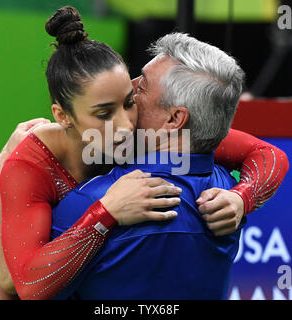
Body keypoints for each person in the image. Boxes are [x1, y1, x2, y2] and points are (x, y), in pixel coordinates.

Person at [0, 6, 288, 300]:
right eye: (103, 113)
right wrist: (106, 211)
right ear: (63, 117)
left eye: (131, 99)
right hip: (16, 249)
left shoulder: (153, 135)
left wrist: (242, 198)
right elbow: (18, 283)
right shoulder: (32, 160)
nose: (122, 126)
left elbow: (268, 154)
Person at [49, 32, 248, 299]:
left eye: (141, 86)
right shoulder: (230, 192)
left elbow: (33, 287)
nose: (129, 86)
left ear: (175, 118)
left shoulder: (90, 200)